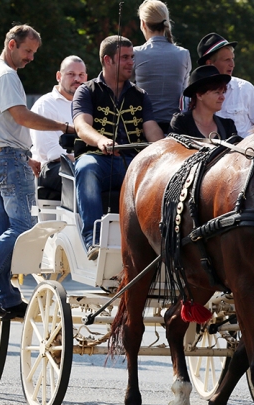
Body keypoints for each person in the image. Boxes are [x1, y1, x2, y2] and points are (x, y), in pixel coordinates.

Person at [0, 25, 76, 319]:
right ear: (11, 44)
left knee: (2, 230)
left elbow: (11, 123)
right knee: (22, 227)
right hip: (9, 161)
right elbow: (21, 116)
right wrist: (64, 127)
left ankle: (6, 298)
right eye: (27, 51)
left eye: (34, 53)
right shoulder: (6, 75)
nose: (31, 58)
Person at [72, 35, 164, 260]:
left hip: (134, 162)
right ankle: (93, 241)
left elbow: (151, 130)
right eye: (124, 57)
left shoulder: (140, 96)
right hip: (99, 160)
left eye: (132, 57)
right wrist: (100, 140)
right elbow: (82, 125)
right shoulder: (87, 91)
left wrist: (165, 150)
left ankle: (160, 241)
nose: (131, 62)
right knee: (85, 168)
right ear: (107, 60)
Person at [30, 56, 88, 193]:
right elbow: (52, 153)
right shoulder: (45, 105)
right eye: (71, 74)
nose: (77, 79)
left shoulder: (92, 105)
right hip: (51, 168)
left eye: (81, 75)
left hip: (82, 163)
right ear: (58, 76)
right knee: (87, 173)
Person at [196, 32, 254, 138]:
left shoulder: (245, 88)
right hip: (207, 152)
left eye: (232, 59)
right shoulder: (192, 93)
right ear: (209, 63)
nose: (232, 64)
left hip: (246, 152)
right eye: (227, 60)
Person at [133, 0, 191, 134]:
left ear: (143, 24)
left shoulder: (136, 53)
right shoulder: (183, 54)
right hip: (176, 129)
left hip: (142, 129)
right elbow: (184, 93)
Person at [169, 65, 237, 139]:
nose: (222, 98)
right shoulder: (181, 123)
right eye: (217, 92)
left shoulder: (227, 126)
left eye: (223, 92)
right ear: (199, 95)